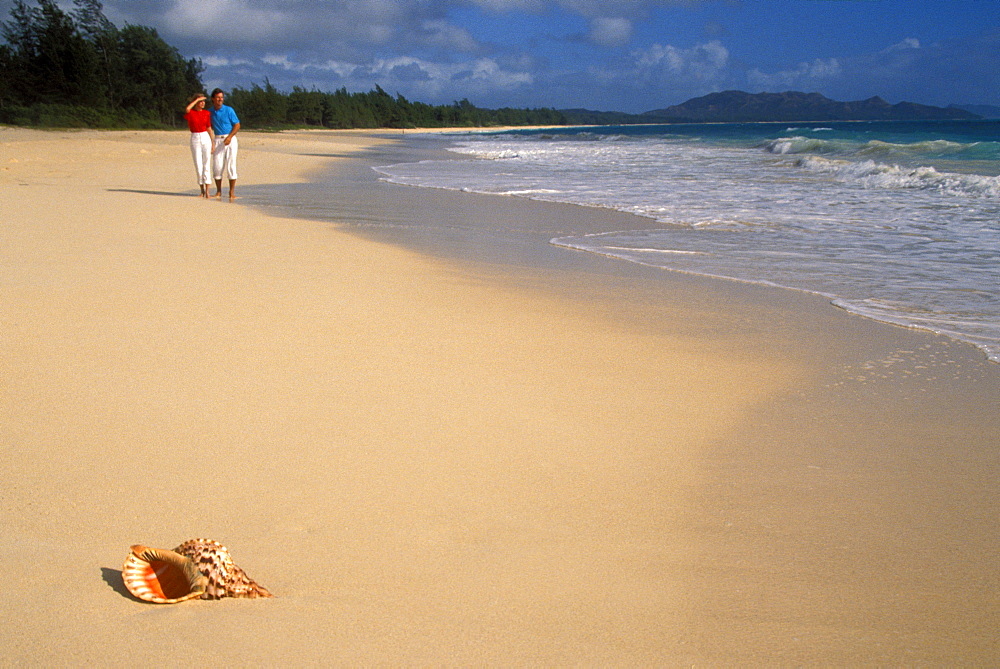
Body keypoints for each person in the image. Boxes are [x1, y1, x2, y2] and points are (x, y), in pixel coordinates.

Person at [209, 88, 241, 200]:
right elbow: (208, 126)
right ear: (213, 99)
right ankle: (218, 191)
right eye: (217, 97)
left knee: (231, 166)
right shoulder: (210, 112)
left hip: (230, 139)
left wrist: (230, 137)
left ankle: (231, 192)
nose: (220, 99)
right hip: (217, 139)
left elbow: (237, 125)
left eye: (221, 97)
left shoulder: (229, 110)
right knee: (217, 166)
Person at [183, 93, 214, 198]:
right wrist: (196, 100)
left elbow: (209, 128)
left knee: (206, 163)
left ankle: (208, 190)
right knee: (198, 163)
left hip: (205, 136)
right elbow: (187, 109)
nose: (203, 103)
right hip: (195, 137)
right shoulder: (191, 113)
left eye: (203, 101)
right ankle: (202, 190)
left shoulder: (206, 113)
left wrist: (213, 143)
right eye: (201, 101)